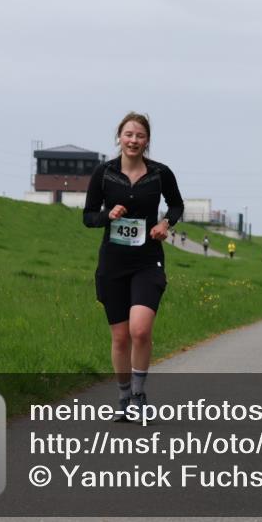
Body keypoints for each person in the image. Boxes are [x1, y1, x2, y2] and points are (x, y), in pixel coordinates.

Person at [84, 112, 184, 422]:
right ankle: (124, 398)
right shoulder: (104, 173)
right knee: (120, 337)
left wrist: (165, 222)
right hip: (113, 264)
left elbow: (176, 204)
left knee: (140, 330)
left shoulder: (159, 173)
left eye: (139, 136)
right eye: (129, 134)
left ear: (147, 141)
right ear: (119, 137)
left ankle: (140, 396)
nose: (133, 140)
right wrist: (107, 215)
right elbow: (88, 217)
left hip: (147, 261)